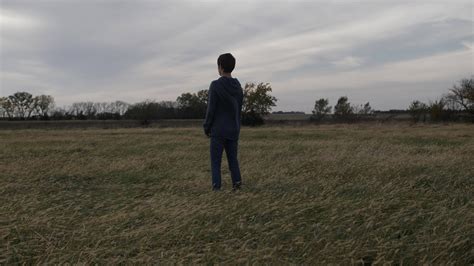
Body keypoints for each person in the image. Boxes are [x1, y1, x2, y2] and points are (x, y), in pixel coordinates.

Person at [203, 53, 244, 192]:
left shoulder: (215, 85)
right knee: (233, 160)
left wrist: (206, 127)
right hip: (233, 129)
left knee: (216, 162)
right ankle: (237, 185)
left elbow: (211, 110)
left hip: (218, 130)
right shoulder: (238, 86)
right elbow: (239, 109)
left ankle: (216, 188)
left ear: (220, 66)